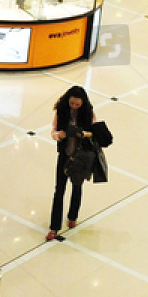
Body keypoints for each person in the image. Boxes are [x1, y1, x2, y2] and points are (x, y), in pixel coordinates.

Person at [47, 86, 100, 240]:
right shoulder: (61, 111)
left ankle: (72, 216)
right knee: (59, 190)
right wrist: (59, 135)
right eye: (72, 103)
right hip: (64, 154)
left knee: (77, 186)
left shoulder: (88, 113)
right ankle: (54, 226)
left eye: (78, 104)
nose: (75, 107)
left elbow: (95, 132)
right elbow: (53, 131)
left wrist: (83, 133)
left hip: (81, 156)